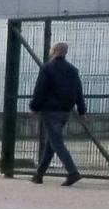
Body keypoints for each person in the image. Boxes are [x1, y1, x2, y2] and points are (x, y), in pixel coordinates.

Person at [28, 40, 85, 186]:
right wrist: (81, 110)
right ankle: (39, 175)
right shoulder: (73, 70)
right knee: (51, 143)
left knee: (56, 142)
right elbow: (79, 91)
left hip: (49, 110)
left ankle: (73, 172)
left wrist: (34, 106)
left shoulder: (47, 68)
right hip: (65, 110)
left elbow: (40, 89)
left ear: (53, 51)